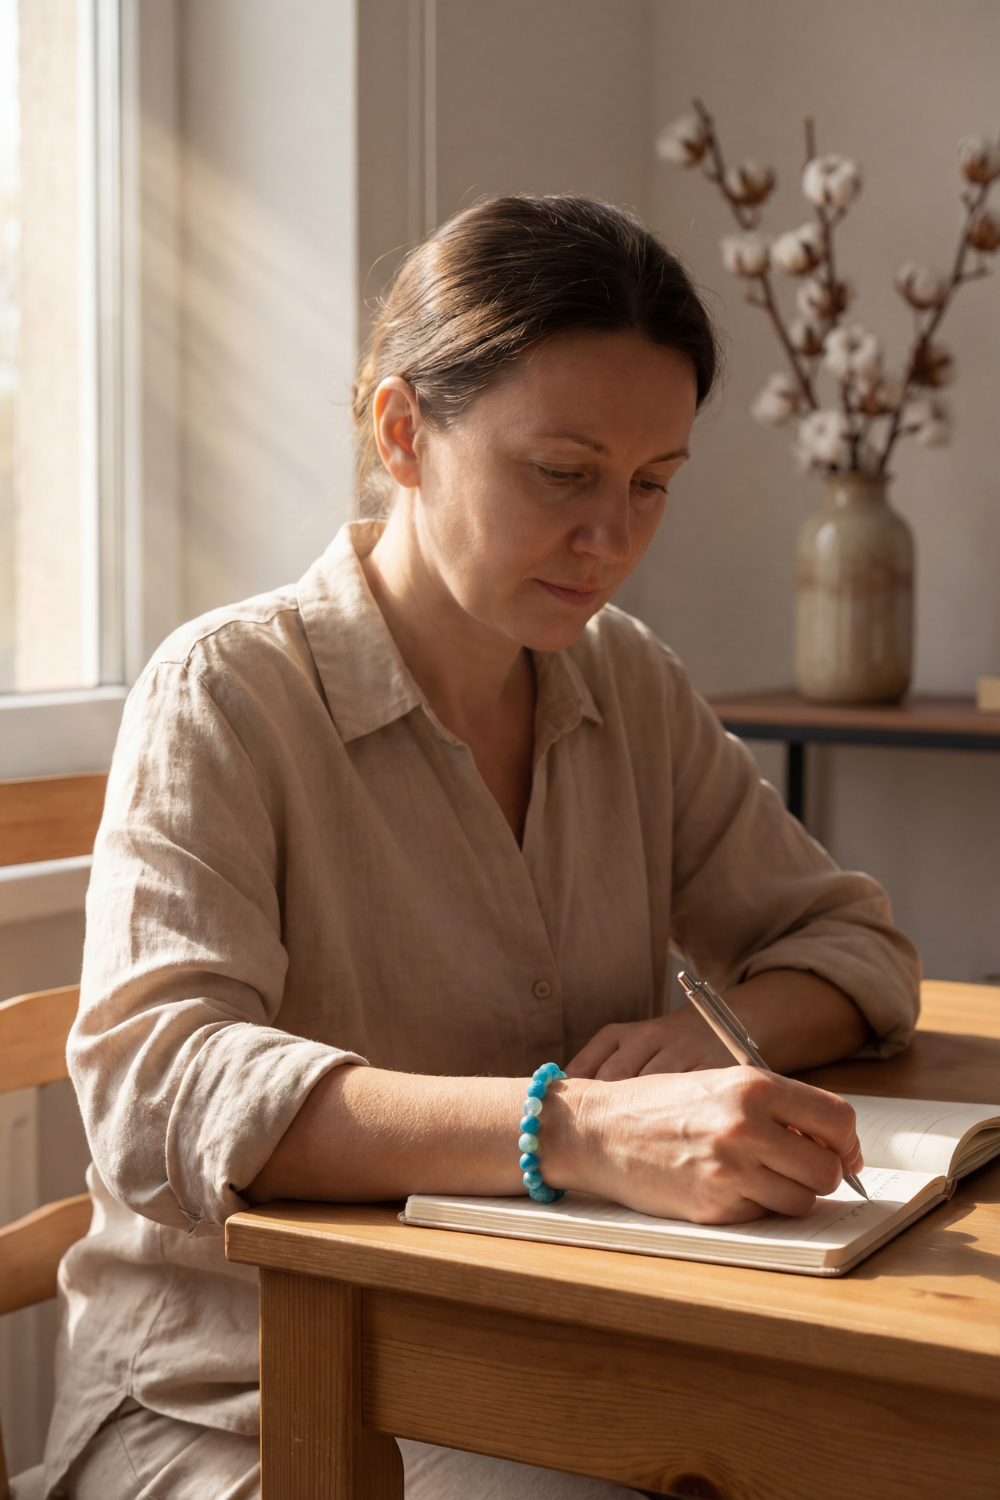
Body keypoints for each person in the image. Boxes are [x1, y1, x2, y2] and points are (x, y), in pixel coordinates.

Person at [43, 195, 919, 1500]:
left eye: (651, 484)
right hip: (239, 1404)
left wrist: (706, 1042)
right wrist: (576, 1129)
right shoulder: (226, 692)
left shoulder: (626, 682)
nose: (612, 540)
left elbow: (856, 945)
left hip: (540, 1361)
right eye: (562, 473)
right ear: (402, 431)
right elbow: (162, 1088)